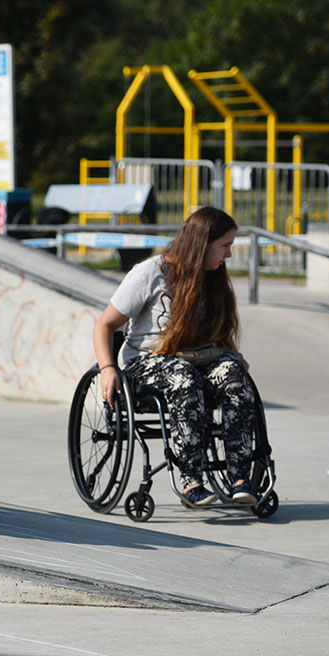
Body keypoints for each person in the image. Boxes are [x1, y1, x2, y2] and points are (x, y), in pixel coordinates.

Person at [92, 206, 258, 507]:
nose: (228, 255)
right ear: (203, 243)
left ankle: (239, 478)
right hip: (147, 360)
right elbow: (104, 324)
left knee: (235, 379)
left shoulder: (212, 278)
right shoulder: (150, 273)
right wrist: (107, 368)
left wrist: (232, 356)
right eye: (225, 246)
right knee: (184, 378)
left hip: (199, 358)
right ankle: (191, 480)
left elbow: (217, 331)